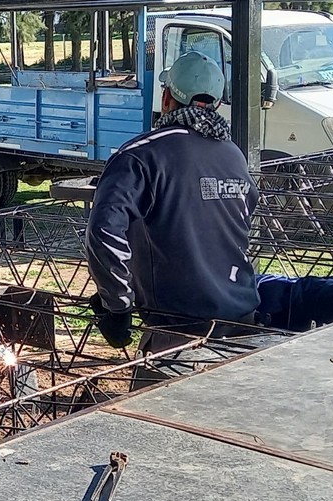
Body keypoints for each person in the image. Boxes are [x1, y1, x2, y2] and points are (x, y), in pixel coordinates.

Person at [85, 51, 260, 355]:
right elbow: (245, 220)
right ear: (217, 104)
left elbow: (104, 231)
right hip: (244, 328)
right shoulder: (233, 155)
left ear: (166, 98)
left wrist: (117, 307)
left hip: (178, 338)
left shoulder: (141, 156)